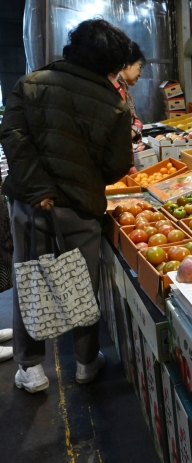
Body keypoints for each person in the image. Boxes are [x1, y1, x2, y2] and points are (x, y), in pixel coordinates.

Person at [0, 19, 134, 393]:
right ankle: (86, 364)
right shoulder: (114, 105)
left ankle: (31, 369)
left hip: (32, 205)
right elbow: (118, 164)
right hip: (82, 207)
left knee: (30, 279)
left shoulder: (30, 85)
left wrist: (40, 187)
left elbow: (12, 136)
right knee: (81, 281)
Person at [115, 42, 146, 142]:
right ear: (127, 64)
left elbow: (136, 120)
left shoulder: (124, 90)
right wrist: (133, 132)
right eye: (140, 66)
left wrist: (134, 129)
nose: (140, 74)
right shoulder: (114, 89)